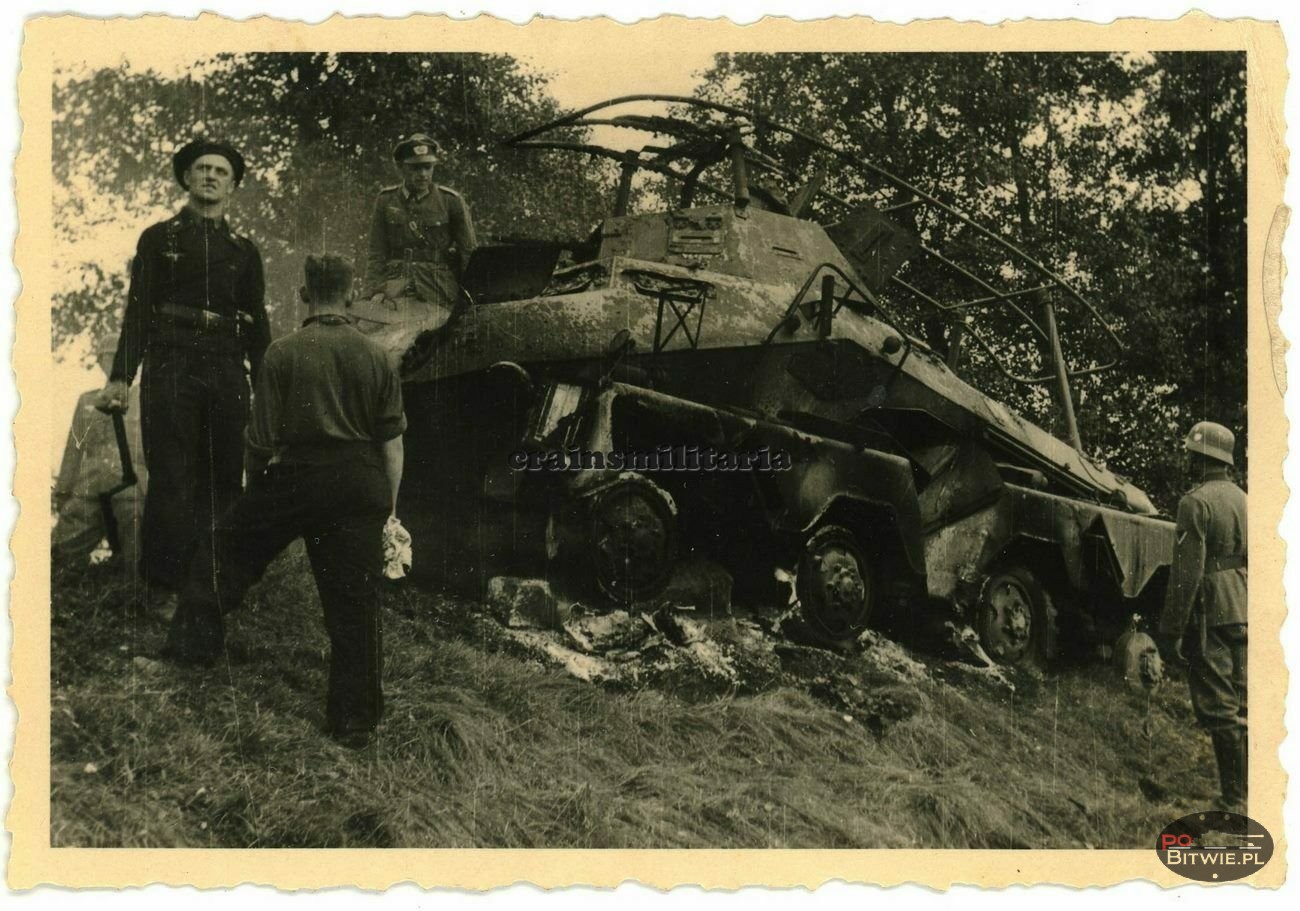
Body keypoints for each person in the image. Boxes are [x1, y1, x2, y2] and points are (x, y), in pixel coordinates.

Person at [164, 254, 406, 749]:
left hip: (297, 475)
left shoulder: (282, 352)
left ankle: (190, 652)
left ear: (302, 295)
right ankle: (354, 723)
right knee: (354, 603)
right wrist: (389, 509)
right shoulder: (378, 355)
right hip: (359, 482)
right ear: (352, 294)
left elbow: (261, 438)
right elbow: (392, 444)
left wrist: (256, 497)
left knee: (225, 551)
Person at [95, 139, 270, 609]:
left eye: (220, 171)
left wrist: (270, 387)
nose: (210, 176)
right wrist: (119, 378)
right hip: (172, 362)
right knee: (172, 475)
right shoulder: (159, 238)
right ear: (187, 179)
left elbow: (259, 324)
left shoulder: (244, 251)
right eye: (201, 169)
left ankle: (214, 588)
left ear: (232, 185)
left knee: (224, 476)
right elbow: (137, 312)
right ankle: (163, 587)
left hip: (227, 367)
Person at [1157, 421, 1248, 812]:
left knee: (1218, 706)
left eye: (1191, 453)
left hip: (1210, 609)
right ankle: (1246, 791)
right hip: (1243, 603)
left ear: (1201, 456)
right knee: (1242, 702)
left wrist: (1171, 630)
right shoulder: (1244, 499)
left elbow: (1187, 572)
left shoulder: (1195, 502)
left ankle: (1234, 798)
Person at [353, 133, 476, 362]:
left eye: (428, 167)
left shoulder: (451, 201)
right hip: (393, 288)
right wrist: (372, 293)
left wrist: (469, 299)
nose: (423, 174)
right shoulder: (386, 200)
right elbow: (376, 253)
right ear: (401, 168)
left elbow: (469, 253)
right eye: (415, 168)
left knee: (411, 346)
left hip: (436, 291)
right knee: (363, 337)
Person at [54, 345, 148, 573]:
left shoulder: (145, 397)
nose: (111, 363)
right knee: (62, 552)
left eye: (117, 358)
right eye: (106, 356)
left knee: (138, 557)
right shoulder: (88, 400)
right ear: (99, 361)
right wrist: (63, 490)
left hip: (133, 488)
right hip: (90, 485)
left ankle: (137, 599)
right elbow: (74, 449)